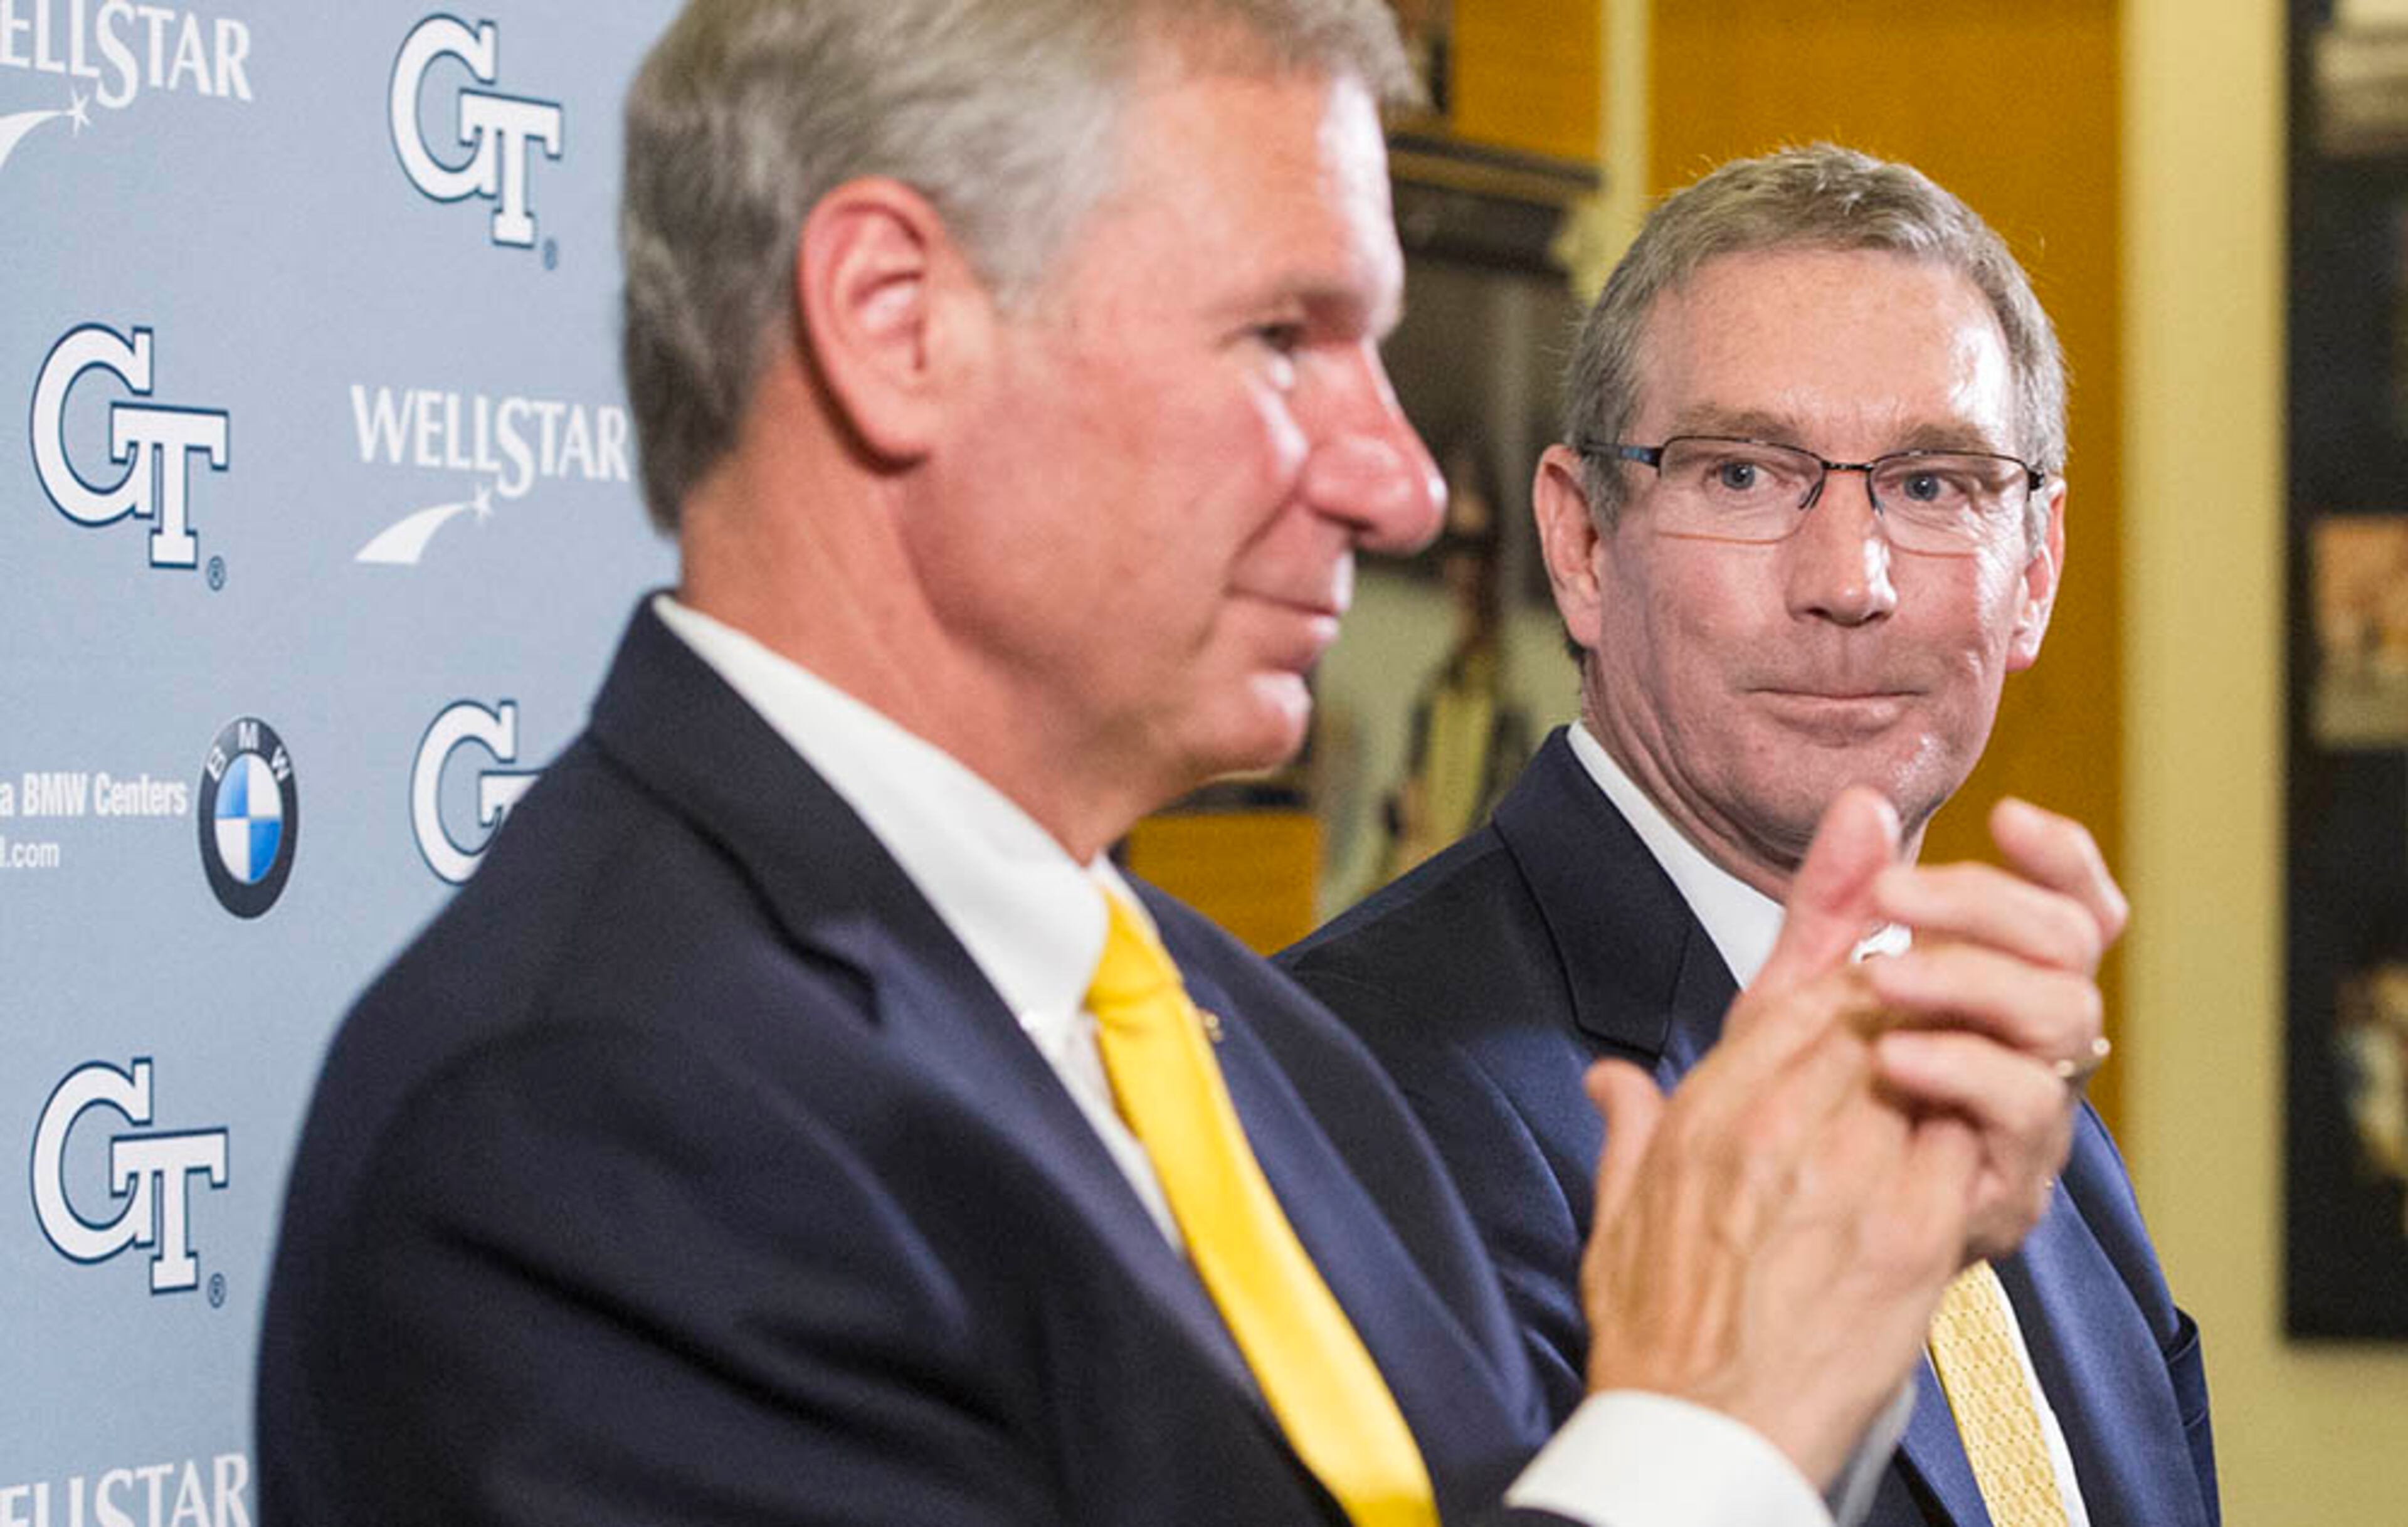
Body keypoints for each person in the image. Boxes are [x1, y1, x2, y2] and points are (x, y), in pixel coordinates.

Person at [256, 11, 2094, 1524]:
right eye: (1285, 338)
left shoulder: (1240, 1041)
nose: (1400, 481)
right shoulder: (582, 1131)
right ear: (896, 324)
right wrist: (1710, 1417)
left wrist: (1798, 1336)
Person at [1282, 147, 2219, 1527]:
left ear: (2037, 573)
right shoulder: (1353, 1098)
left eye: (1933, 484)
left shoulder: (2026, 1107)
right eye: (1741, 474)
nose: (1852, 582)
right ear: (1583, 546)